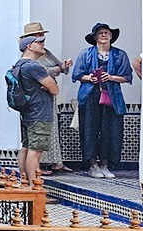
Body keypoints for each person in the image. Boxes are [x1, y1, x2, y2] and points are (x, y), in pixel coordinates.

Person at [71, 21, 133, 179]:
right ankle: (92, 165)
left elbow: (127, 77)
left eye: (106, 33)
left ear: (111, 36)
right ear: (95, 37)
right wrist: (89, 78)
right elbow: (77, 75)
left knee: (110, 131)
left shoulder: (120, 55)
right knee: (89, 130)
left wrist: (111, 77)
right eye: (100, 33)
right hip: (90, 97)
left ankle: (105, 165)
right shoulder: (85, 54)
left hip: (111, 97)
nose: (104, 35)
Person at [13, 27, 60, 187]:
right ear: (29, 46)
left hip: (27, 112)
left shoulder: (18, 65)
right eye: (39, 42)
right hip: (39, 113)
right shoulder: (34, 67)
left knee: (26, 147)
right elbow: (55, 89)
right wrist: (49, 85)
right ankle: (35, 188)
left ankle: (25, 183)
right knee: (35, 151)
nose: (43, 45)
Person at [32, 31, 72, 174]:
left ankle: (56, 162)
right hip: (39, 94)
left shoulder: (46, 53)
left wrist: (64, 65)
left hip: (49, 93)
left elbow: (60, 66)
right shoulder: (29, 59)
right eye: (38, 37)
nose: (41, 40)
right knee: (39, 130)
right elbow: (42, 71)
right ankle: (38, 166)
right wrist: (57, 69)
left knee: (53, 127)